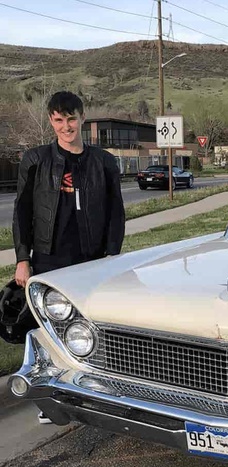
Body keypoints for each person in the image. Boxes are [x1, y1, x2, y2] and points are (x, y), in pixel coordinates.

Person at [13, 90, 125, 423]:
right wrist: (22, 258)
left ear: (82, 117)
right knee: (47, 330)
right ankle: (50, 398)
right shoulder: (35, 159)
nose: (66, 126)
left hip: (91, 258)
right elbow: (21, 212)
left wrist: (112, 257)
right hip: (48, 256)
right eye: (59, 120)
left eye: (71, 119)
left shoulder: (103, 161)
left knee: (90, 326)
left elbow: (116, 213)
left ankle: (94, 389)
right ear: (51, 120)